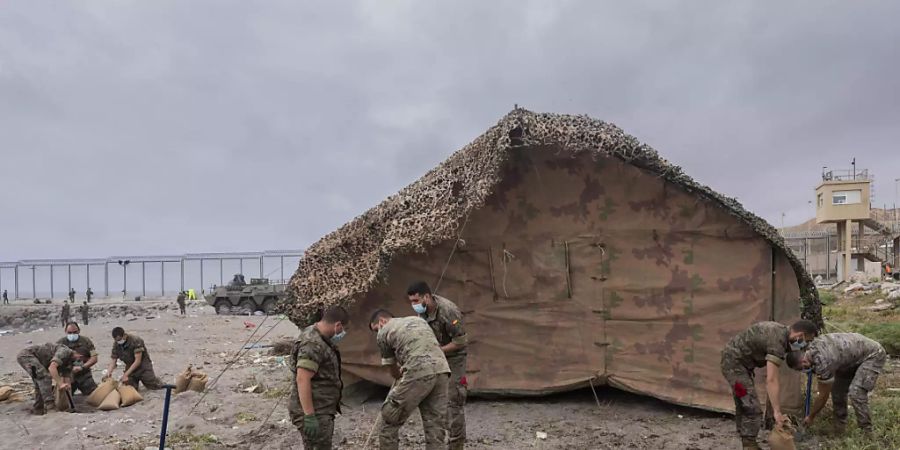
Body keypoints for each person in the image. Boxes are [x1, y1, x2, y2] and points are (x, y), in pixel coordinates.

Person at [720, 320, 818, 450]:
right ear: (800, 335)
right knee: (752, 406)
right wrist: (777, 411)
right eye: (807, 340)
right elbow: (771, 379)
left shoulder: (780, 332)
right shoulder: (777, 342)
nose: (805, 345)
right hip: (734, 366)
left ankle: (743, 433)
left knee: (742, 400)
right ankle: (749, 445)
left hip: (736, 364)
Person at [369, 309, 450, 450]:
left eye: (376, 329)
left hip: (418, 372)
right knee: (435, 425)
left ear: (382, 321)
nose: (377, 333)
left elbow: (392, 369)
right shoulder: (417, 320)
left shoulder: (384, 332)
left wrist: (399, 375)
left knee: (388, 420)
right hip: (442, 370)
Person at [407, 281, 468, 450]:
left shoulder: (449, 311)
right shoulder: (424, 313)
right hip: (435, 356)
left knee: (453, 402)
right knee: (433, 400)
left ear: (427, 296)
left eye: (416, 301)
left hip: (454, 358)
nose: (414, 305)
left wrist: (437, 351)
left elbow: (461, 342)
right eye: (411, 302)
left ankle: (456, 445)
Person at [786, 333, 887, 434]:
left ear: (803, 361)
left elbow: (823, 395)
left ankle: (866, 431)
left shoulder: (822, 361)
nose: (803, 371)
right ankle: (839, 428)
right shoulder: (810, 348)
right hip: (849, 359)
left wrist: (811, 416)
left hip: (872, 354)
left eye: (801, 368)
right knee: (837, 390)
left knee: (856, 392)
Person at [288, 306, 348, 449]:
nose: (342, 333)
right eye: (343, 329)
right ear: (337, 325)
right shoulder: (313, 344)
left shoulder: (318, 336)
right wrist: (309, 416)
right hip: (315, 410)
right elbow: (303, 379)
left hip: (322, 407)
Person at [17, 342, 84, 415]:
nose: (80, 361)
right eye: (81, 358)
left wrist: (67, 387)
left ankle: (38, 407)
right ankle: (50, 406)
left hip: (39, 361)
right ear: (79, 355)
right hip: (27, 356)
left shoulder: (70, 361)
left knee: (39, 383)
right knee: (44, 377)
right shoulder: (64, 351)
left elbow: (66, 376)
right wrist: (60, 384)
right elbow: (52, 368)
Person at [57, 322, 98, 395]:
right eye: (69, 333)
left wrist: (82, 367)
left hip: (84, 375)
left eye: (75, 332)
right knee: (65, 397)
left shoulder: (86, 341)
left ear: (79, 331)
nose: (72, 335)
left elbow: (94, 358)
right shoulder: (60, 343)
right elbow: (55, 362)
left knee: (95, 395)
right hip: (68, 376)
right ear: (65, 332)